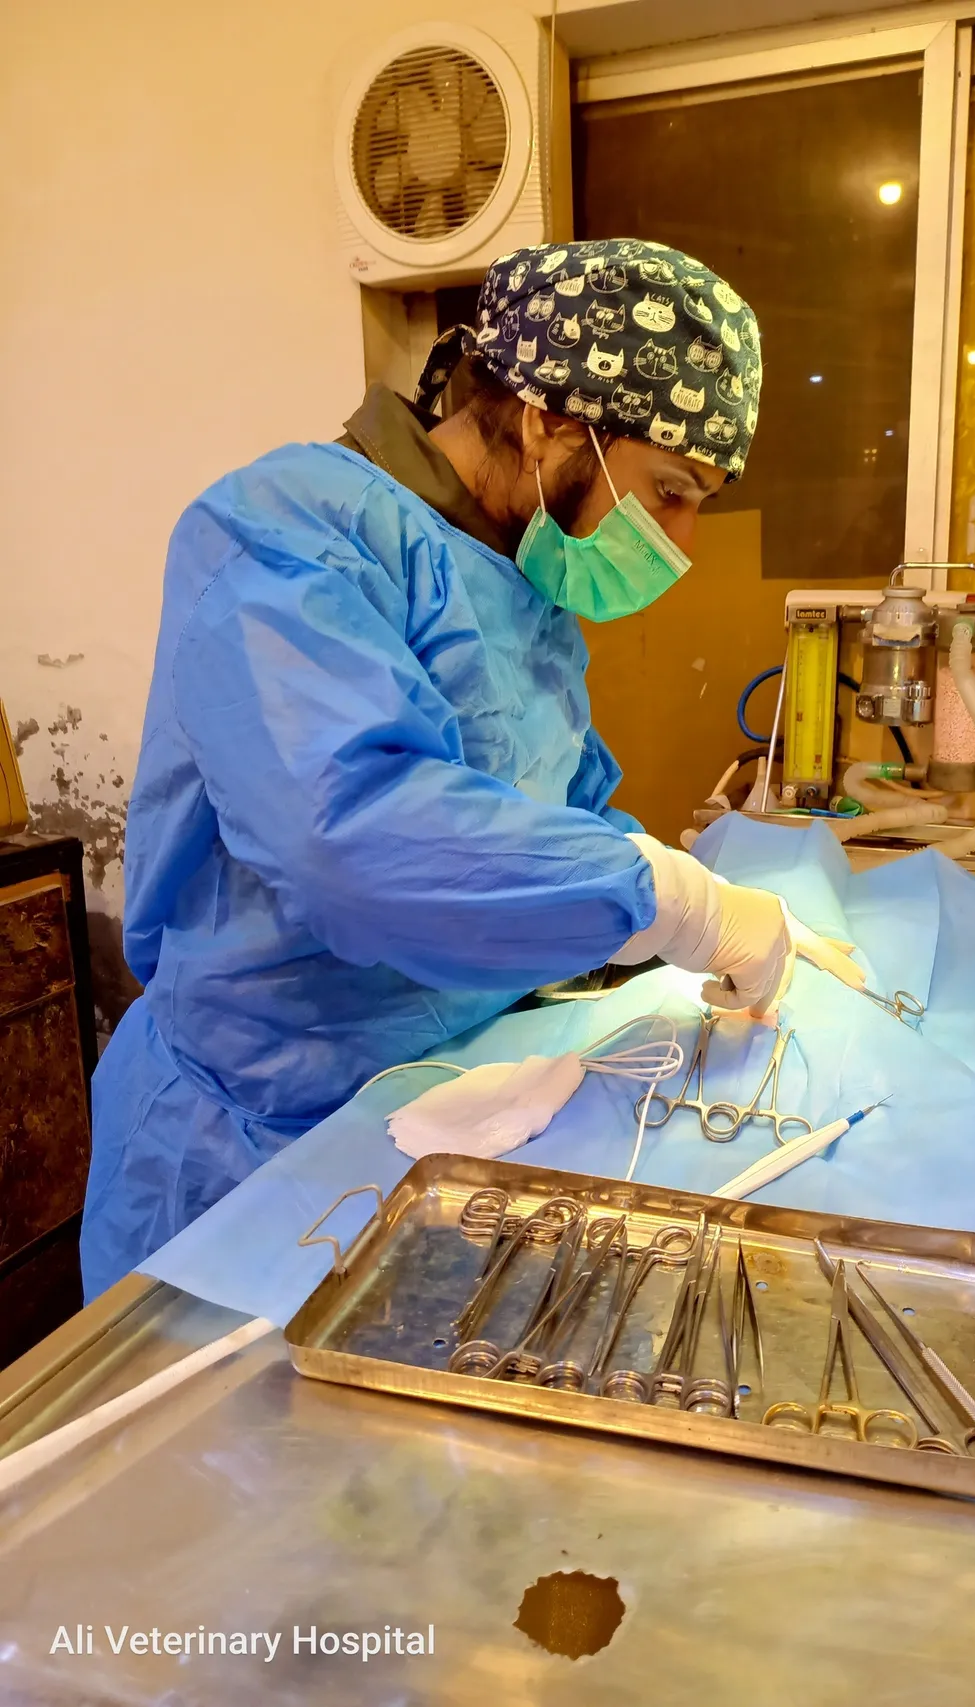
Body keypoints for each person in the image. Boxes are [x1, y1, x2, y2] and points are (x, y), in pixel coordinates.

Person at [82, 238, 863, 1300]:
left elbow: (555, 808)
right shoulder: (282, 533)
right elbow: (350, 836)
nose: (677, 541)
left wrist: (666, 888)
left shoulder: (519, 586)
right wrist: (668, 899)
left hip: (446, 1099)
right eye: (668, 491)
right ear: (547, 418)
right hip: (252, 1136)